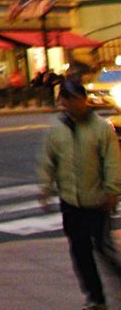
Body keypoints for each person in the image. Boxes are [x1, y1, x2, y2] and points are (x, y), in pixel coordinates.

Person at [38, 78, 121, 310]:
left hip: (97, 200)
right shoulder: (57, 131)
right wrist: (45, 187)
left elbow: (113, 162)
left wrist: (113, 191)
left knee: (103, 248)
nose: (75, 103)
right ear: (64, 101)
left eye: (78, 98)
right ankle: (96, 298)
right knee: (80, 252)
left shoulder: (101, 129)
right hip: (71, 202)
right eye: (70, 99)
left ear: (84, 100)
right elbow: (49, 161)